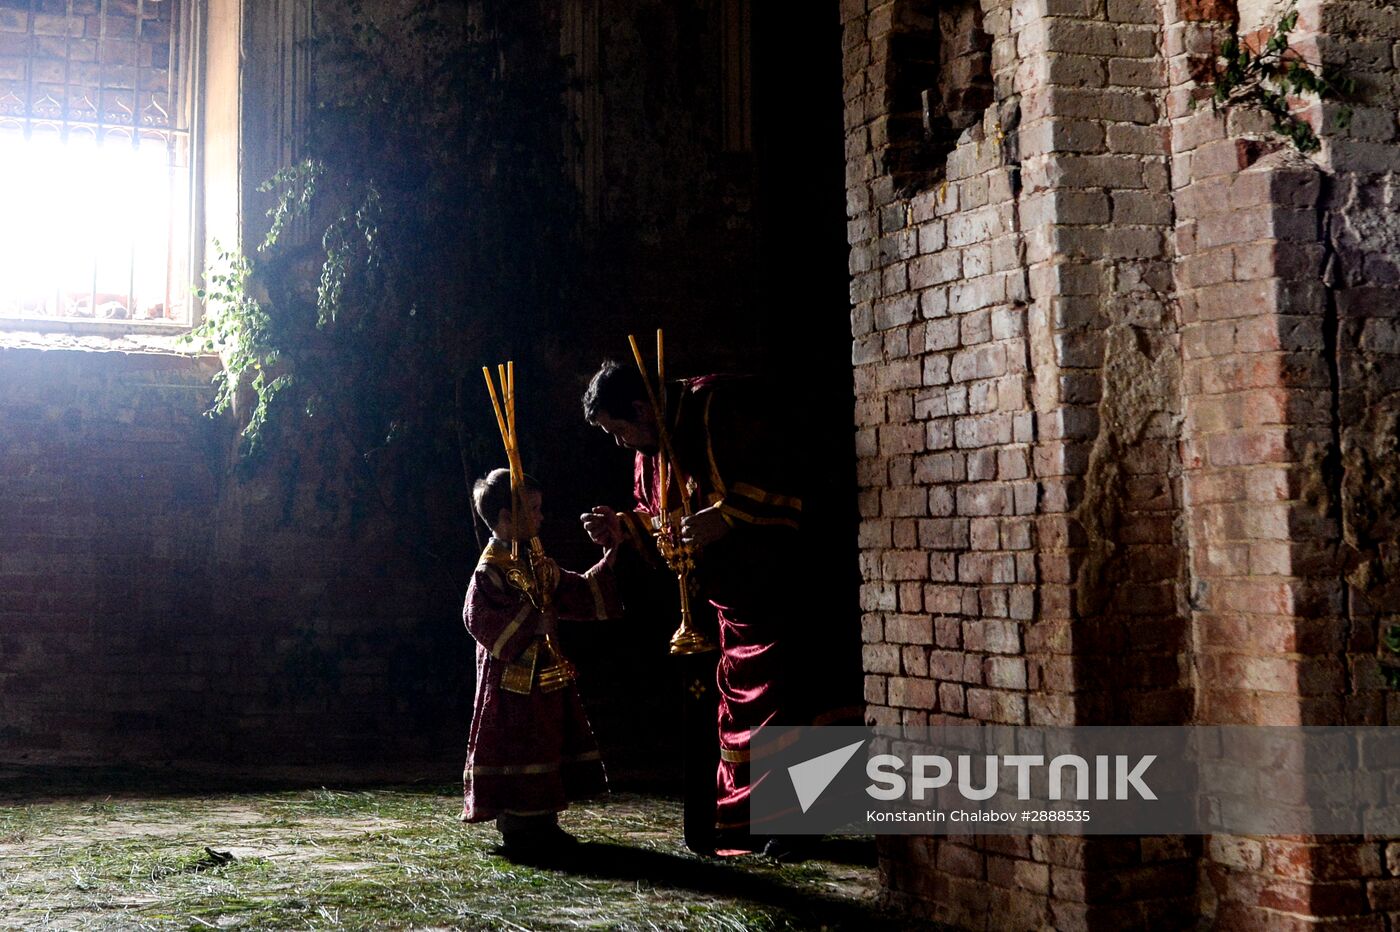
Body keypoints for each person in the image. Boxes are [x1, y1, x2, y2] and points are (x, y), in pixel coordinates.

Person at [579, 361, 860, 857]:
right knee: (749, 711)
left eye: (618, 429)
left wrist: (728, 516)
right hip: (733, 601)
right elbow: (663, 513)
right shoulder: (654, 442)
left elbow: (786, 471)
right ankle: (753, 819)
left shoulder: (719, 405)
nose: (620, 443)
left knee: (797, 704)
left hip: (787, 587)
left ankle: (800, 824)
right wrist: (625, 526)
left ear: (642, 409)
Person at [461, 467, 620, 858]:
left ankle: (544, 820)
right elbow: (477, 617)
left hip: (546, 675)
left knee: (546, 741)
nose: (541, 517)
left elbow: (576, 590)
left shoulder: (537, 560)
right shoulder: (491, 568)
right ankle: (519, 826)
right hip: (510, 681)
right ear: (504, 518)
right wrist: (534, 622)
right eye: (532, 509)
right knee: (517, 746)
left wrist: (611, 555)